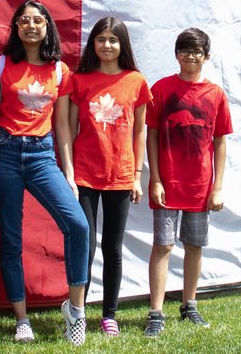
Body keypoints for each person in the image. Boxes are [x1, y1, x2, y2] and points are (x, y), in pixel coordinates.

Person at [0, 0, 91, 346]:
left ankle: (75, 311)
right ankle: (22, 320)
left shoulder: (60, 72)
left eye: (38, 21)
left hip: (42, 154)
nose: (31, 26)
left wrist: (69, 174)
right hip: (4, 153)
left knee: (77, 225)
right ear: (16, 27)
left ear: (48, 27)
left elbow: (62, 126)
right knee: (11, 239)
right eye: (24, 21)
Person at [56, 17, 152, 337]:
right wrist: (68, 171)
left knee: (113, 246)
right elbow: (67, 129)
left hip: (121, 175)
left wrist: (137, 174)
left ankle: (109, 314)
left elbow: (140, 131)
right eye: (101, 39)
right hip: (84, 173)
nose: (107, 45)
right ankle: (78, 311)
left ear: (122, 44)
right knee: (85, 243)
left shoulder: (136, 80)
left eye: (113, 39)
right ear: (92, 43)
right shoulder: (79, 80)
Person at [144, 27, 232, 338]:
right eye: (185, 50)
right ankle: (156, 312)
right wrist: (155, 178)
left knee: (194, 245)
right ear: (176, 54)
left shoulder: (216, 95)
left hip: (200, 186)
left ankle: (189, 304)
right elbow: (151, 136)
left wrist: (218, 186)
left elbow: (220, 141)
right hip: (167, 184)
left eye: (197, 51)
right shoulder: (161, 90)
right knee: (163, 245)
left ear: (206, 57)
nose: (190, 56)